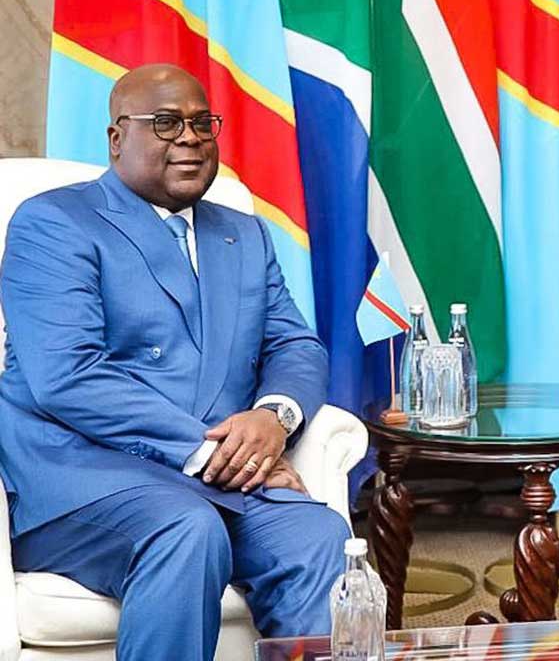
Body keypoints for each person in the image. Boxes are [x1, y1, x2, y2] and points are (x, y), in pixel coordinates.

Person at [0, 64, 348, 661]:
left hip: (222, 481)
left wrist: (273, 419)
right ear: (117, 139)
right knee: (186, 529)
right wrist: (222, 455)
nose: (188, 137)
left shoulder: (244, 234)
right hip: (86, 480)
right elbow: (67, 376)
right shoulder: (53, 223)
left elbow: (295, 346)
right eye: (164, 123)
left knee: (316, 533)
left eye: (201, 123)